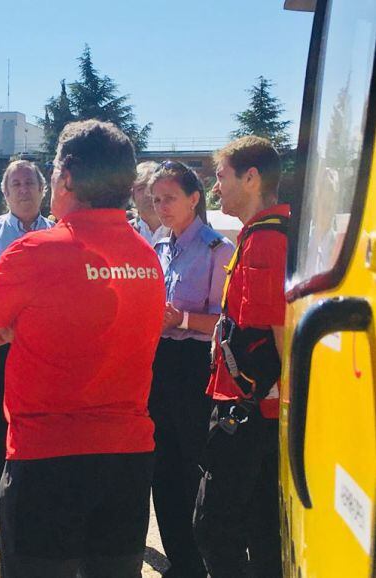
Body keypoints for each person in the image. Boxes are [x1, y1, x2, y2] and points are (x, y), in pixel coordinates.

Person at [0, 120, 166, 578]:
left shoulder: (35, 250)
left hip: (47, 461)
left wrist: (17, 329)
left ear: (67, 177)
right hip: (127, 459)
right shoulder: (145, 255)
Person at [193, 136, 289, 578]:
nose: (216, 189)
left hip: (250, 410)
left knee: (215, 524)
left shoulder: (268, 240)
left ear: (251, 178)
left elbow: (280, 333)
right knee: (259, 524)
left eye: (222, 177)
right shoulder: (259, 235)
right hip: (252, 406)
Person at [148, 161, 234, 578]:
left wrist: (180, 319)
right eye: (157, 199)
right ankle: (179, 559)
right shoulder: (160, 248)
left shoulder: (219, 250)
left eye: (170, 198)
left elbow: (227, 321)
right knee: (160, 466)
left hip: (195, 366)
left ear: (194, 199)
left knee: (192, 467)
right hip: (158, 364)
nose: (161, 207)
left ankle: (201, 559)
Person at [0, 159, 53, 546]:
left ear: (43, 190)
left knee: (39, 428)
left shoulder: (60, 236)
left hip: (43, 350)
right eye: (15, 184)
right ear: (4, 193)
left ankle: (33, 509)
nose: (23, 190)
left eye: (30, 183)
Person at [131, 161, 169, 246]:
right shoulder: (124, 234)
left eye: (152, 187)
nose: (147, 194)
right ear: (132, 195)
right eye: (141, 188)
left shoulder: (182, 232)